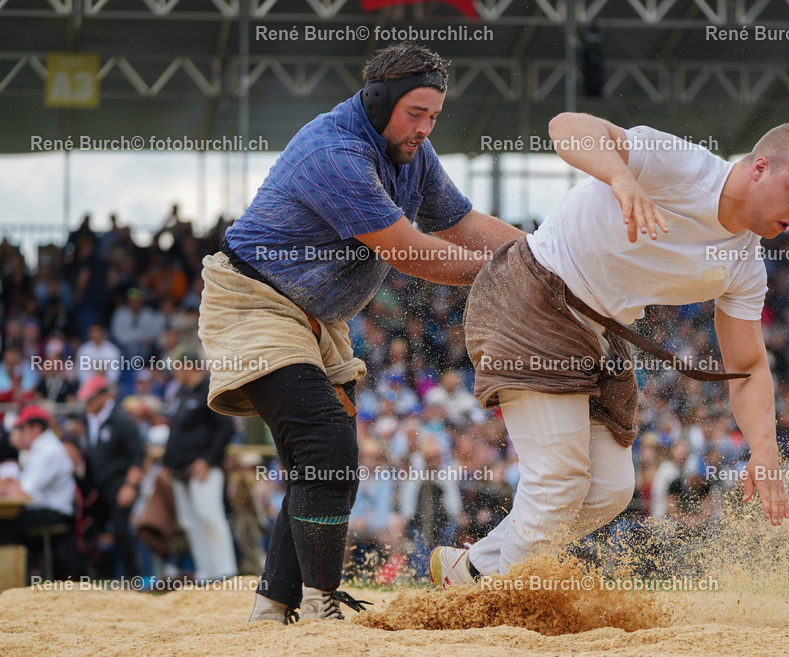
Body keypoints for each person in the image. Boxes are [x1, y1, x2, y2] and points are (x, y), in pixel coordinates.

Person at [430, 113, 789, 587]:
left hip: (603, 332)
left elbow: (746, 364)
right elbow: (564, 126)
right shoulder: (684, 165)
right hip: (534, 295)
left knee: (609, 488)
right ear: (760, 168)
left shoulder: (745, 265)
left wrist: (764, 448)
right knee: (559, 481)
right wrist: (621, 176)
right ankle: (496, 600)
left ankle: (471, 571)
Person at [197, 42, 523, 623]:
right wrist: (514, 271)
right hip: (253, 302)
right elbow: (411, 251)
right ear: (377, 102)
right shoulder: (334, 151)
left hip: (319, 320)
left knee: (317, 464)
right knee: (326, 445)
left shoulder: (411, 151)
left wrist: (537, 253)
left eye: (434, 117)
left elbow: (461, 223)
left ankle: (272, 609)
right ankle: (322, 604)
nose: (425, 128)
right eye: (415, 113)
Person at [162, 347, 238, 582]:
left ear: (187, 365)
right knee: (190, 523)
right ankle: (206, 574)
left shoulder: (210, 390)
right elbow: (175, 434)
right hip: (181, 471)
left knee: (210, 517)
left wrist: (207, 460)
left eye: (176, 367)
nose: (174, 372)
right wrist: (167, 465)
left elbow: (225, 428)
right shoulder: (184, 394)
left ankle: (226, 573)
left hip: (204, 469)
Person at [78, 374, 146, 579]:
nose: (86, 405)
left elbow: (138, 455)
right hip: (100, 486)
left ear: (103, 397)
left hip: (120, 483)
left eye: (90, 400)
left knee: (121, 531)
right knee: (94, 529)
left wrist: (130, 486)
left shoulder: (122, 421)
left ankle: (134, 578)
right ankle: (102, 576)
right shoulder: (89, 420)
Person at [0, 405, 77, 578]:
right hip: (45, 508)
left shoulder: (47, 450)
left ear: (35, 428)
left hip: (56, 511)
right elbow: (20, 485)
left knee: (6, 526)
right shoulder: (41, 448)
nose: (20, 433)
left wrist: (8, 490)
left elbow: (23, 491)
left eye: (22, 428)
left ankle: (18, 578)